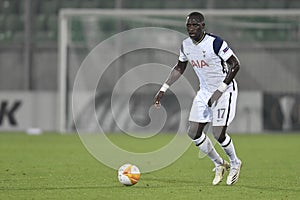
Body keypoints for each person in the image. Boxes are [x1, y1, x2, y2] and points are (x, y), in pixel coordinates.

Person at [154, 12, 242, 185]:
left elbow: (235, 64)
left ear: (203, 26)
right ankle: (219, 164)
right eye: (189, 26)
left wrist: (220, 90)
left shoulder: (216, 43)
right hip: (204, 92)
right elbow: (180, 67)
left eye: (195, 25)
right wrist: (164, 88)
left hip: (225, 91)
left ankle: (235, 163)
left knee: (218, 133)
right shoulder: (186, 45)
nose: (191, 29)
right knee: (193, 132)